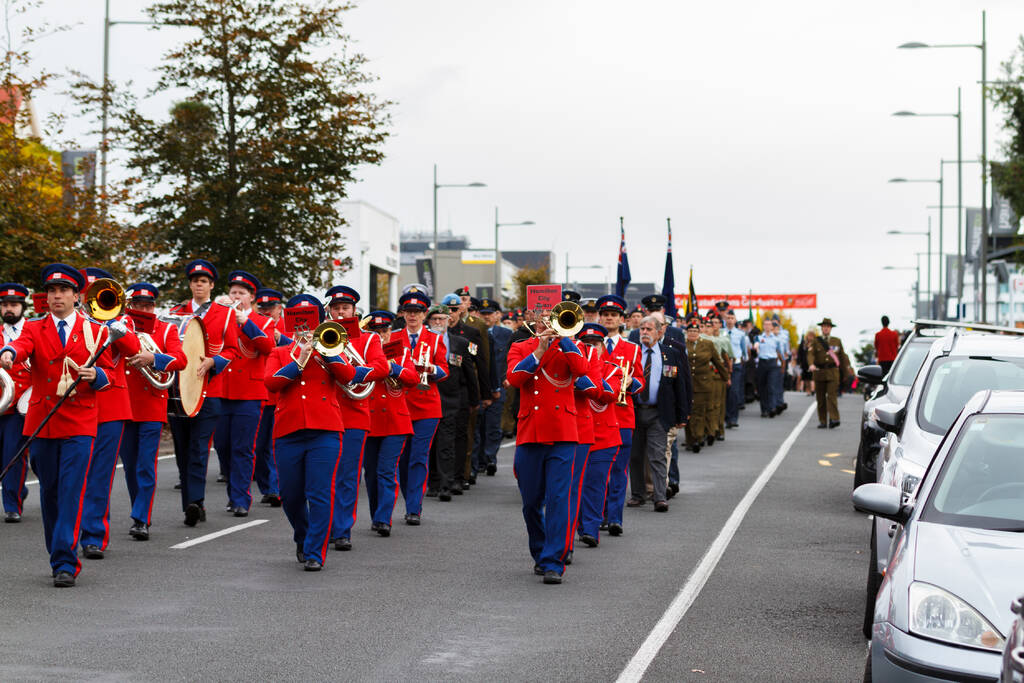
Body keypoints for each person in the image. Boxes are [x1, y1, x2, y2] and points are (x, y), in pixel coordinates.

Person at [0, 264, 115, 587]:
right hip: (42, 423)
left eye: (63, 291)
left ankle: (65, 561)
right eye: (51, 291)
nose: (56, 297)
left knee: (70, 492)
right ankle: (58, 553)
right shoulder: (34, 328)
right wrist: (8, 352)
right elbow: (21, 345)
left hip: (80, 422)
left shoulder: (95, 330)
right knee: (49, 493)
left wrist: (98, 376)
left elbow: (112, 375)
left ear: (76, 296)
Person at [264, 294, 356, 571]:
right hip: (288, 430)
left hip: (325, 431)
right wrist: (299, 360)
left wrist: (326, 353)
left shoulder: (331, 349)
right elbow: (271, 383)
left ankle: (316, 551)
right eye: (298, 320)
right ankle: (303, 537)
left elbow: (348, 375)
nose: (304, 325)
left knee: (319, 493)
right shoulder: (280, 352)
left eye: (310, 319)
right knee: (290, 496)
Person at [506, 308, 590, 584]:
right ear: (534, 321)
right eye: (542, 318)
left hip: (563, 433)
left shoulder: (572, 347)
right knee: (531, 502)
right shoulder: (521, 347)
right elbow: (515, 379)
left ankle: (554, 560)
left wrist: (565, 338)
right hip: (531, 432)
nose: (547, 323)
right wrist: (540, 351)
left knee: (558, 499)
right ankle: (541, 551)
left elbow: (582, 370)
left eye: (551, 317)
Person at [167, 259, 240, 527]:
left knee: (198, 449)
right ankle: (191, 502)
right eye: (195, 280)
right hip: (179, 390)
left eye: (204, 281)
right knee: (182, 450)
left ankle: (195, 502)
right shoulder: (175, 312)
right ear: (190, 284)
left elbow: (232, 349)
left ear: (211, 285)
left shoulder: (226, 313)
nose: (199, 284)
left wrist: (214, 362)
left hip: (210, 391)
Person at [77, 267, 142, 561]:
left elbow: (132, 349)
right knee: (72, 472)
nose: (90, 297)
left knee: (100, 474)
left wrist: (111, 320)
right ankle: (70, 529)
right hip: (74, 404)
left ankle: (92, 536)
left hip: (110, 406)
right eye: (86, 291)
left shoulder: (120, 321)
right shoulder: (71, 321)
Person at [119, 283, 187, 540]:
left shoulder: (166, 328)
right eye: (138, 305)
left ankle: (141, 518)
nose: (144, 310)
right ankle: (139, 508)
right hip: (124, 404)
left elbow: (180, 360)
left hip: (151, 404)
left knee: (145, 465)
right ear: (130, 306)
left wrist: (154, 359)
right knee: (129, 465)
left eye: (148, 305)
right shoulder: (120, 326)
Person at [325, 285, 387, 551]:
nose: (341, 312)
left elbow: (382, 368)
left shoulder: (369, 339)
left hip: (354, 413)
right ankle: (322, 527)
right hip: (325, 413)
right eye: (336, 308)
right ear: (329, 311)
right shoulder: (322, 335)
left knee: (347, 476)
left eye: (346, 308)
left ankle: (341, 530)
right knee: (323, 477)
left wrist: (351, 374)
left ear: (354, 311)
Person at [215, 271, 275, 518]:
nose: (236, 296)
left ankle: (240, 498)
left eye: (241, 293)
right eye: (233, 292)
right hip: (222, 389)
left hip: (249, 393)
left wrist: (244, 322)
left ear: (251, 297)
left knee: (242, 448)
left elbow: (267, 346)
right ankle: (233, 491)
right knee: (222, 446)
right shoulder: (221, 317)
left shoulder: (263, 322)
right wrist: (217, 312)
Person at [390, 288, 449, 526]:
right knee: (402, 458)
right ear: (403, 314)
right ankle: (408, 497)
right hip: (400, 403)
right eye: (408, 311)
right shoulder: (393, 338)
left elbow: (445, 370)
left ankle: (414, 506)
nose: (412, 316)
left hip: (426, 406)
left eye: (417, 312)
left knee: (418, 457)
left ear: (424, 314)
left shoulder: (435, 338)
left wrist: (430, 369)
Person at [362, 310, 419, 536]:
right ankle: (376, 513)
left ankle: (384, 518)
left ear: (390, 331)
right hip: (369, 419)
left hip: (395, 421)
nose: (381, 335)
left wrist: (392, 367)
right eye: (375, 332)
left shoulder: (402, 353)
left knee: (386, 471)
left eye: (384, 331)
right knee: (371, 473)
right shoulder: (363, 353)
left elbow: (414, 379)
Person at [627, 316, 688, 512]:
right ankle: (638, 494)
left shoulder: (670, 354)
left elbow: (680, 386)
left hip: (658, 413)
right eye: (642, 329)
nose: (644, 332)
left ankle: (660, 497)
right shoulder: (632, 352)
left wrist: (682, 415)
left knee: (658, 456)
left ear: (660, 332)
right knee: (635, 456)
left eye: (649, 329)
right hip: (634, 411)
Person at [596, 294, 644, 537]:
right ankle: (597, 515)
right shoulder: (590, 344)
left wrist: (631, 381)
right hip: (596, 416)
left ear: (622, 319)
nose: (609, 318)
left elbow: (640, 382)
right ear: (599, 317)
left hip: (623, 415)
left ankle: (615, 517)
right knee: (597, 470)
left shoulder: (633, 349)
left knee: (618, 470)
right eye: (605, 315)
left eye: (614, 315)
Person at [575, 323, 622, 548]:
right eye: (586, 344)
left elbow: (610, 394)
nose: (591, 348)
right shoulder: (571, 367)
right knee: (576, 485)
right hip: (576, 434)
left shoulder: (613, 368)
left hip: (605, 437)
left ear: (603, 347)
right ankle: (578, 525)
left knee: (595, 484)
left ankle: (591, 528)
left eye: (596, 344)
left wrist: (590, 377)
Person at [427, 304, 478, 500]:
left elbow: (469, 372)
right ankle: (433, 482)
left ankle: (446, 484)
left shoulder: (461, 343)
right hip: (428, 398)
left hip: (451, 399)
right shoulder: (424, 342)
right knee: (430, 443)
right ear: (429, 322)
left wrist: (475, 399)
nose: (438, 323)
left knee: (447, 443)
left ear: (449, 321)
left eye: (442, 319)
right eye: (434, 319)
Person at [0, 282, 31, 522]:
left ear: (23, 307)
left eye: (13, 305)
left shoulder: (33, 330)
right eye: (5, 305)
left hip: (21, 407)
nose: (9, 309)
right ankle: (19, 490)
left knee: (13, 454)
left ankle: (12, 505)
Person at [253, 287, 287, 507]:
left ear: (279, 308)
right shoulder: (254, 325)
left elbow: (297, 348)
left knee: (276, 443)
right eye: (262, 308)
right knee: (259, 444)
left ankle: (276, 487)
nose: (267, 312)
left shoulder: (289, 326)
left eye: (271, 308)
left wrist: (279, 337)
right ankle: (267, 486)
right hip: (258, 392)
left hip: (280, 393)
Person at [476, 297, 511, 476]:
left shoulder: (506, 335)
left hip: (499, 385)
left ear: (498, 315)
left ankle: (490, 458)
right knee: (478, 425)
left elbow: (510, 358)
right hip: (480, 386)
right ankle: (480, 459)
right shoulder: (474, 332)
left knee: (493, 426)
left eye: (489, 313)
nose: (486, 317)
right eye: (483, 314)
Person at [684, 318, 725, 452]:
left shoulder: (707, 344)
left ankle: (698, 437)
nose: (693, 333)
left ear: (699, 331)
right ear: (686, 332)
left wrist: (726, 377)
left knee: (699, 412)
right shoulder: (682, 345)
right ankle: (690, 439)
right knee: (687, 412)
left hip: (703, 384)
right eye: (690, 331)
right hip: (687, 384)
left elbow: (717, 362)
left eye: (695, 330)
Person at [808, 317, 845, 429]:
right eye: (824, 327)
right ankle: (823, 420)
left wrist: (845, 373)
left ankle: (834, 418)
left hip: (833, 372)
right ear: (821, 328)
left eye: (828, 327)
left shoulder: (836, 341)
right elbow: (810, 354)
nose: (826, 328)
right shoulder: (816, 341)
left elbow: (842, 357)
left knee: (832, 396)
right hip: (819, 372)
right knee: (820, 398)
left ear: (831, 328)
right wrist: (811, 364)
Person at [723, 310, 748, 429]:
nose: (729, 320)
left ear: (735, 320)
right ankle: (725, 417)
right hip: (723, 365)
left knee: (734, 391)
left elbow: (744, 351)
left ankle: (733, 418)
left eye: (732, 318)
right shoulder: (721, 333)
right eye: (728, 318)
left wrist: (743, 361)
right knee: (725, 392)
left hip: (736, 365)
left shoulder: (740, 334)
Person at [753, 320, 784, 418]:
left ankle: (772, 408)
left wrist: (782, 363)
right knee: (762, 387)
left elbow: (780, 352)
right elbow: (756, 345)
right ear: (763, 326)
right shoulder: (759, 337)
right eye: (765, 324)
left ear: (772, 327)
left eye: (769, 325)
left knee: (771, 386)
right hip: (762, 362)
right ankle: (764, 409)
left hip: (772, 363)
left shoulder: (776, 339)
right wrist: (756, 347)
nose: (767, 326)